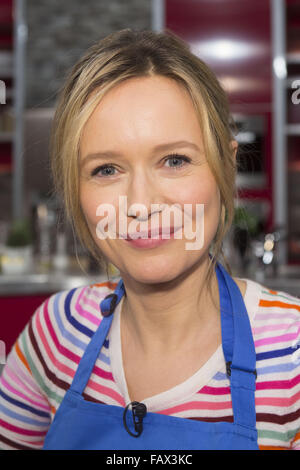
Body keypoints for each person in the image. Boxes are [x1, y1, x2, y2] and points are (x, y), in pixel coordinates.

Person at [0, 28, 299, 450]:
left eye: (174, 160)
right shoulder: (56, 332)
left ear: (225, 168)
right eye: (106, 169)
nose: (140, 204)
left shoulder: (291, 357)